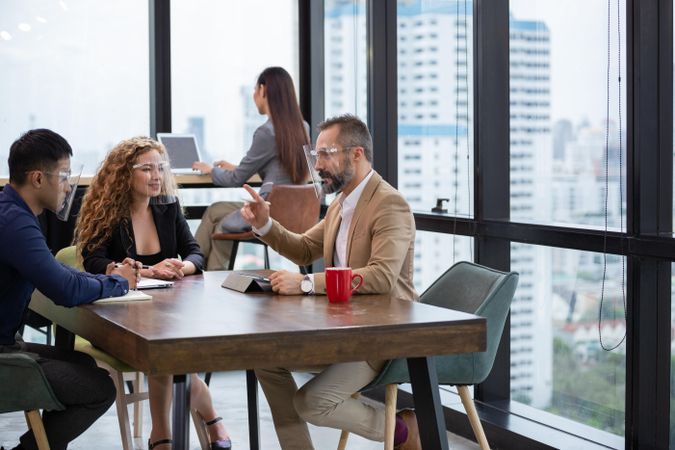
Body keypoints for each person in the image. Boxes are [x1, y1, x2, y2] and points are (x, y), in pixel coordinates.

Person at [240, 114, 422, 450]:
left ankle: (403, 432)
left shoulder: (390, 205)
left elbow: (381, 276)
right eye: (316, 155)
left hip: (381, 338)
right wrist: (265, 225)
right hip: (343, 331)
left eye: (326, 154)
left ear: (356, 154)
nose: (318, 164)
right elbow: (305, 247)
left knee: (312, 402)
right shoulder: (341, 204)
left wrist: (307, 284)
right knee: (264, 357)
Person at [73, 137, 232, 450]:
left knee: (168, 348)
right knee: (167, 352)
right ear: (124, 175)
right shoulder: (110, 212)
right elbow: (94, 261)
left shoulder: (167, 207)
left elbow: (195, 253)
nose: (157, 175)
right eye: (146, 169)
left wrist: (180, 267)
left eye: (161, 168)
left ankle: (161, 436)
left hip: (168, 311)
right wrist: (146, 271)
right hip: (119, 315)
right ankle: (210, 418)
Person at [0, 129, 138, 450]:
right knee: (98, 389)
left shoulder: (12, 212)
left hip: (7, 343)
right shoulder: (15, 224)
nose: (67, 184)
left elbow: (53, 269)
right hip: (3, 354)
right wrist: (120, 282)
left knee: (84, 365)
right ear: (37, 178)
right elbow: (64, 290)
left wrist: (107, 278)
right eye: (63, 174)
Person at [192, 66, 310, 270]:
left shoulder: (266, 132)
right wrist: (236, 167)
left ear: (264, 90)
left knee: (217, 218)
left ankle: (195, 272)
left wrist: (211, 170)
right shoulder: (302, 127)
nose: (254, 95)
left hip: (267, 211)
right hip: (295, 212)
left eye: (255, 90)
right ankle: (195, 269)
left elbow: (236, 179)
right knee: (215, 210)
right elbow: (279, 169)